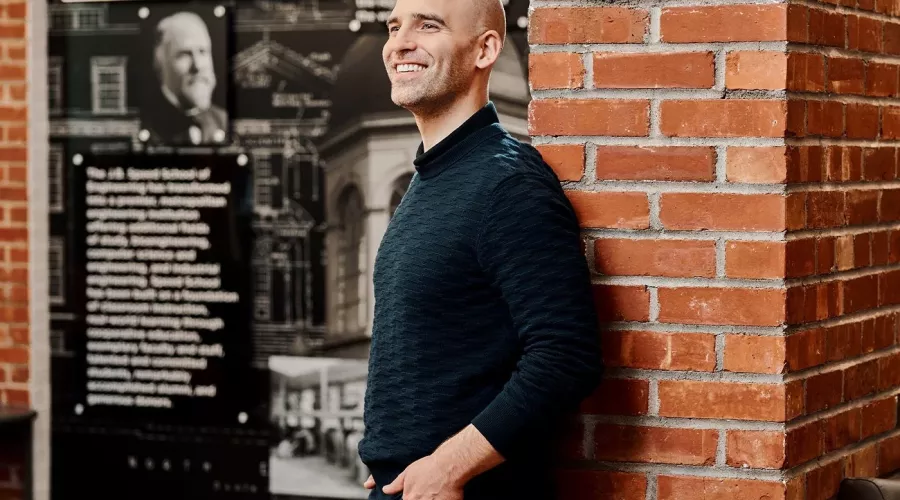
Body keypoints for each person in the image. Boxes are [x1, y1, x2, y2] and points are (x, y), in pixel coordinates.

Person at [356, 0, 603, 499]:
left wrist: (447, 467)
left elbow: (565, 356)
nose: (399, 42)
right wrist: (395, 451)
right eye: (394, 26)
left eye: (428, 26)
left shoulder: (507, 183)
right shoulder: (433, 178)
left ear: (485, 48)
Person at [141, 11, 228, 146]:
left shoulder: (223, 121)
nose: (198, 66)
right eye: (185, 54)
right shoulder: (144, 124)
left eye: (203, 51)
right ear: (160, 63)